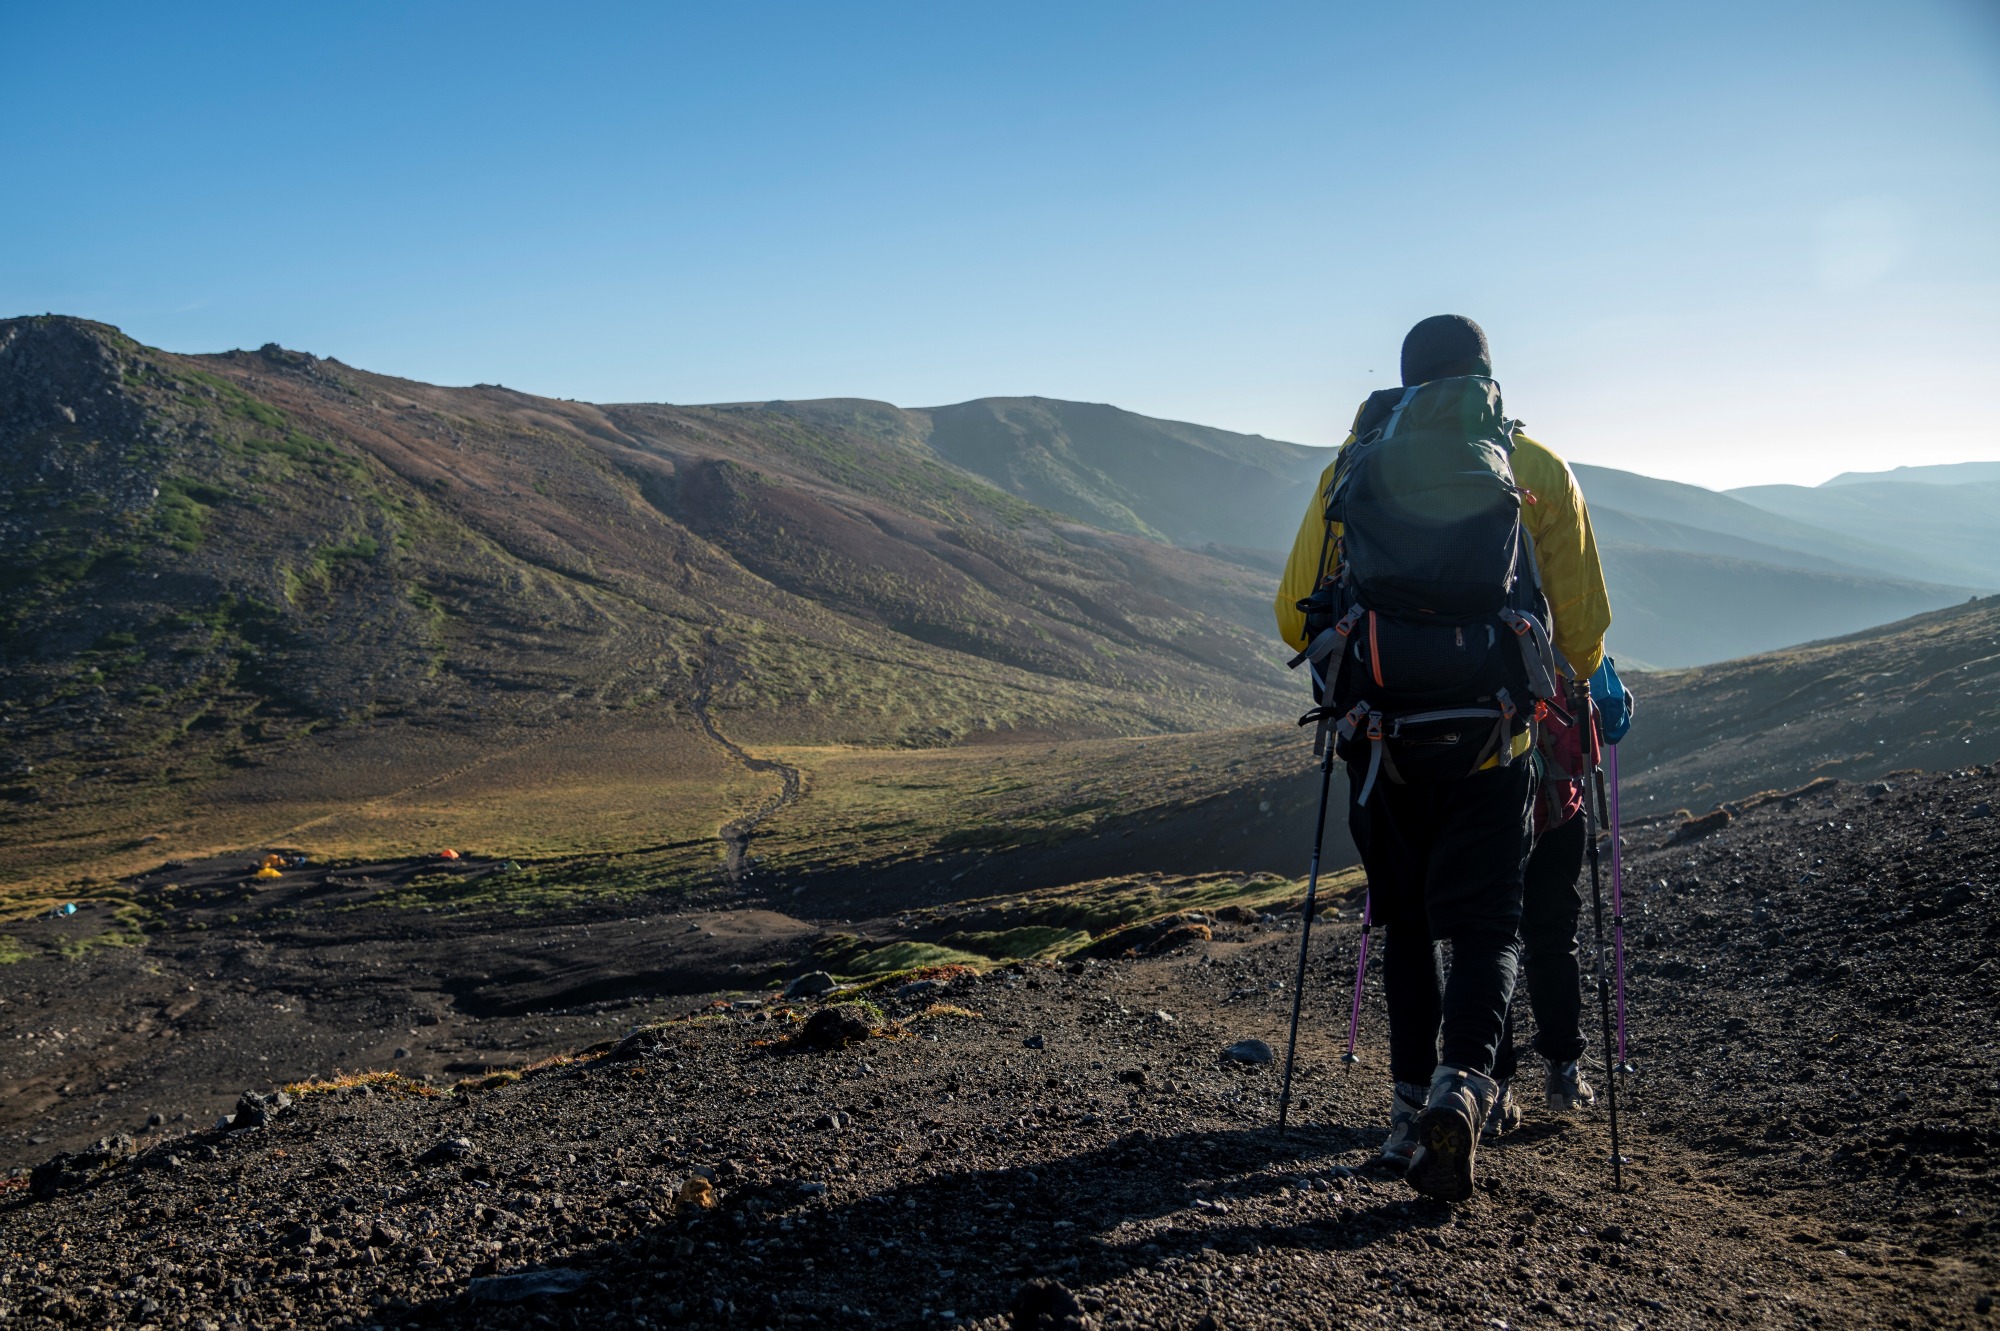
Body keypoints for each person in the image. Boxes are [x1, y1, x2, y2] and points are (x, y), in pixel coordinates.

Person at [1273, 314, 1612, 1200]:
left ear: (1405, 380)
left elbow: (1290, 616)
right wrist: (1582, 681)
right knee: (1488, 924)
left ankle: (1401, 1110)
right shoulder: (1533, 468)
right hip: (1496, 740)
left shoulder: (1352, 464)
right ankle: (1464, 1088)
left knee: (1407, 922)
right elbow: (1583, 635)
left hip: (1380, 739)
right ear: (1485, 379)